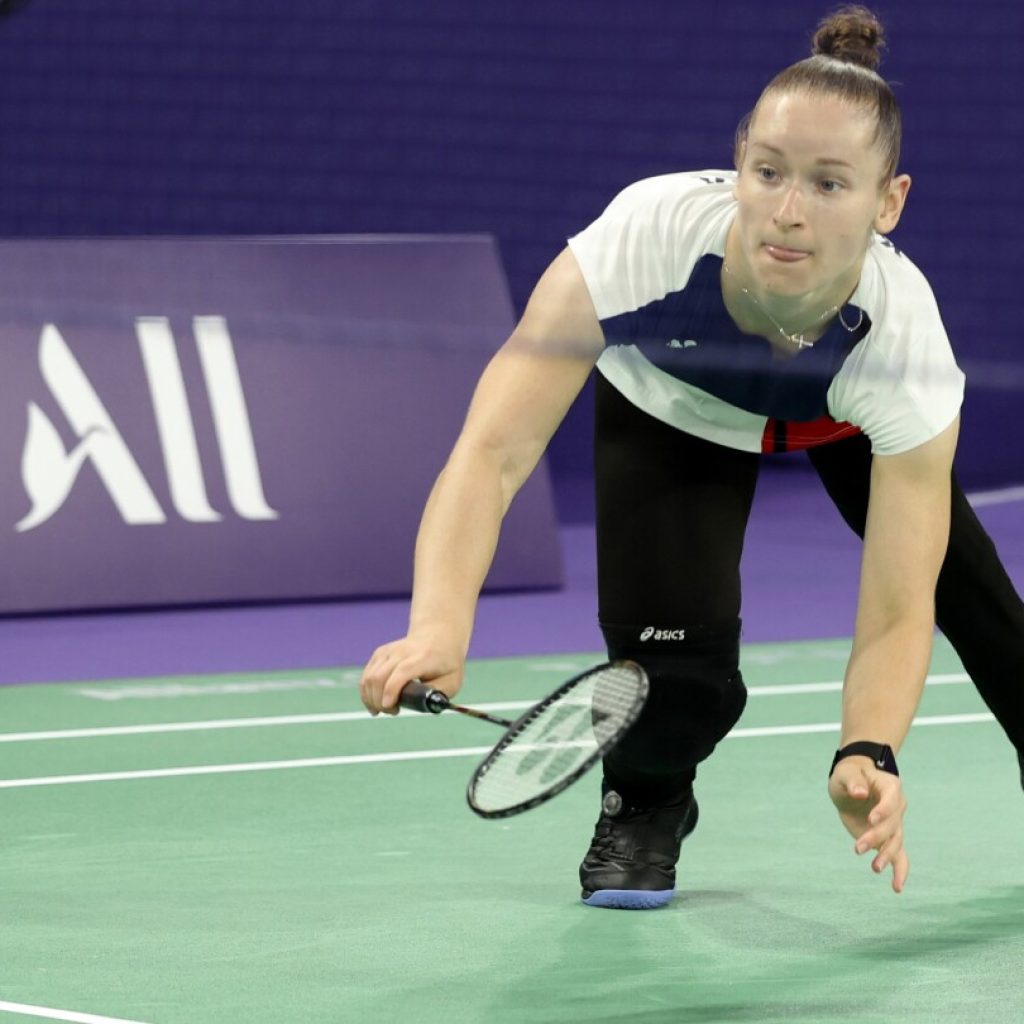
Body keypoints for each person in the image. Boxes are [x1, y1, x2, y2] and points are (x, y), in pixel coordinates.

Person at [360, 6, 1024, 908]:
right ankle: (646, 802)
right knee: (675, 686)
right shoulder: (642, 241)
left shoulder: (902, 340)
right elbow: (493, 452)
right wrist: (437, 623)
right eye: (769, 172)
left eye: (831, 185)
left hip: (843, 419)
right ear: (739, 164)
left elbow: (898, 609)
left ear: (888, 202)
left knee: (989, 617)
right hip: (675, 407)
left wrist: (866, 749)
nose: (788, 212)